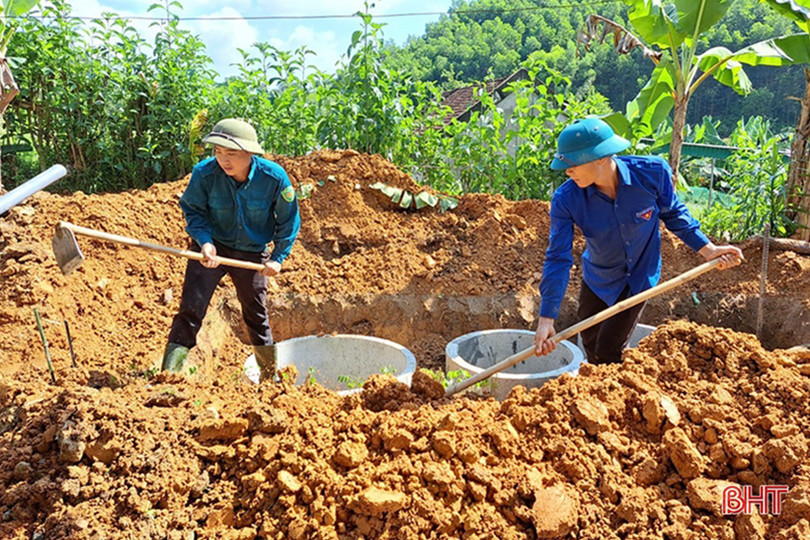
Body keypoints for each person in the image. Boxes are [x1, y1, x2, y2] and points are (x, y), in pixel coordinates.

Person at [534, 117, 743, 364]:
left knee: (608, 350)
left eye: (573, 164)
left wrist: (708, 250)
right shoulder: (566, 199)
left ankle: (613, 395)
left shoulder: (652, 174)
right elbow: (558, 258)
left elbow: (674, 214)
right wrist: (546, 318)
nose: (567, 172)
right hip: (598, 277)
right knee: (590, 343)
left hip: (638, 278)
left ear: (601, 157)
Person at [162, 118, 300, 381]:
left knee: (256, 315)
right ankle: (168, 375)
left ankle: (269, 379)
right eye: (218, 152)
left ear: (250, 153)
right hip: (212, 246)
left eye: (232, 154)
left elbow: (289, 220)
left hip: (251, 252)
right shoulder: (204, 174)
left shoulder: (273, 178)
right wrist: (204, 241)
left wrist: (278, 257)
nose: (223, 160)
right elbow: (193, 210)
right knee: (191, 309)